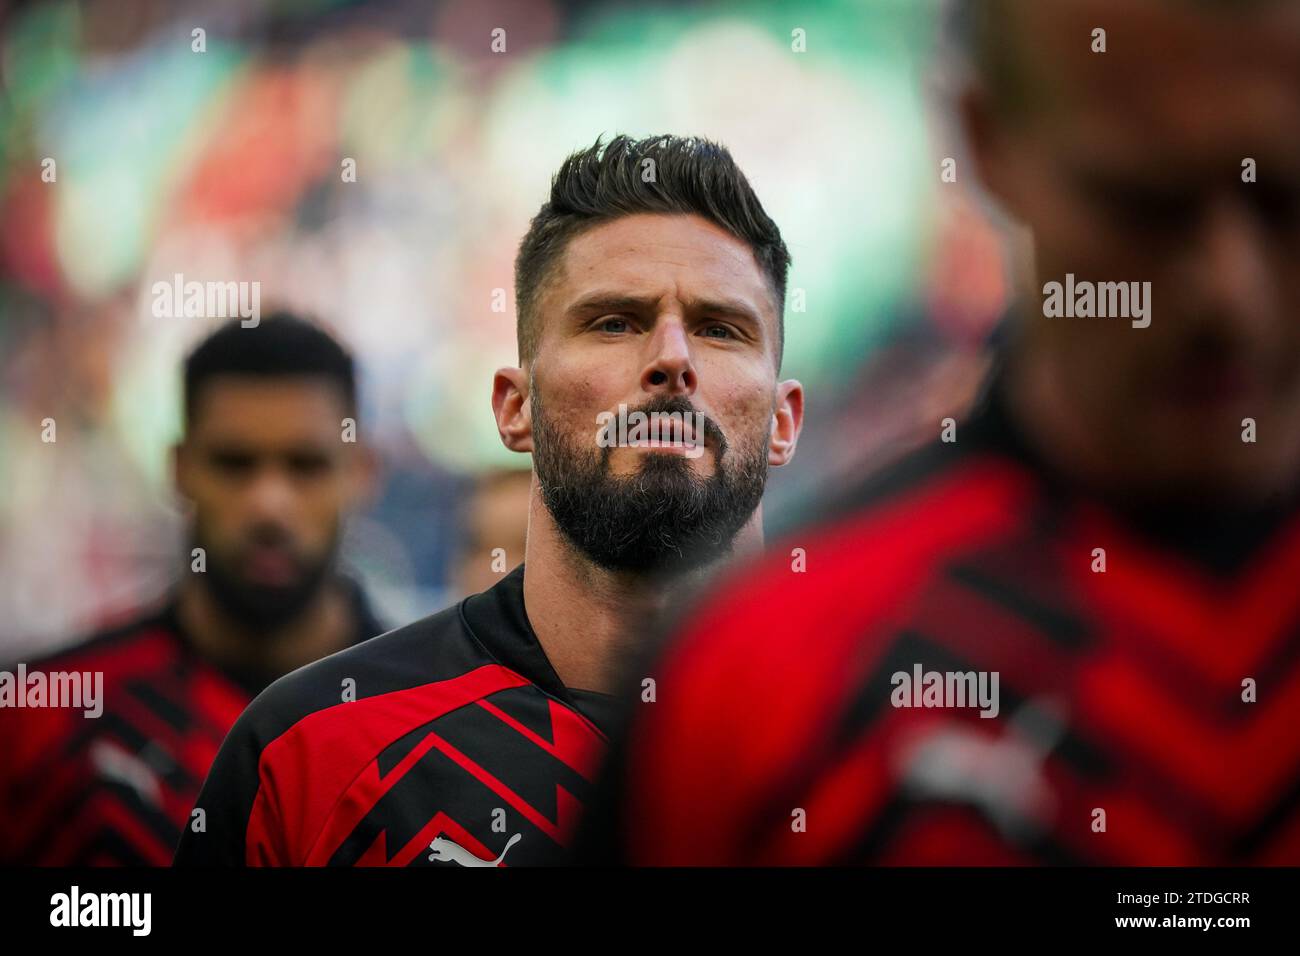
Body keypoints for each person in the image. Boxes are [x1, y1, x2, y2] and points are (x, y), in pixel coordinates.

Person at [576, 0, 1300, 865]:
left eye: (1284, 199)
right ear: (985, 141)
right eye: (1146, 206)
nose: (1230, 292)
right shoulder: (761, 679)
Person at [173, 134, 804, 866]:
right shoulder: (309, 752)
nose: (671, 358)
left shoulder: (891, 744)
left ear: (784, 422)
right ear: (515, 408)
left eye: (719, 329)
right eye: (614, 322)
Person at [0, 313, 384, 864]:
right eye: (234, 464)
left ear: (362, 471)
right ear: (179, 469)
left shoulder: (434, 725)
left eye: (305, 466)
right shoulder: (39, 716)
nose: (269, 505)